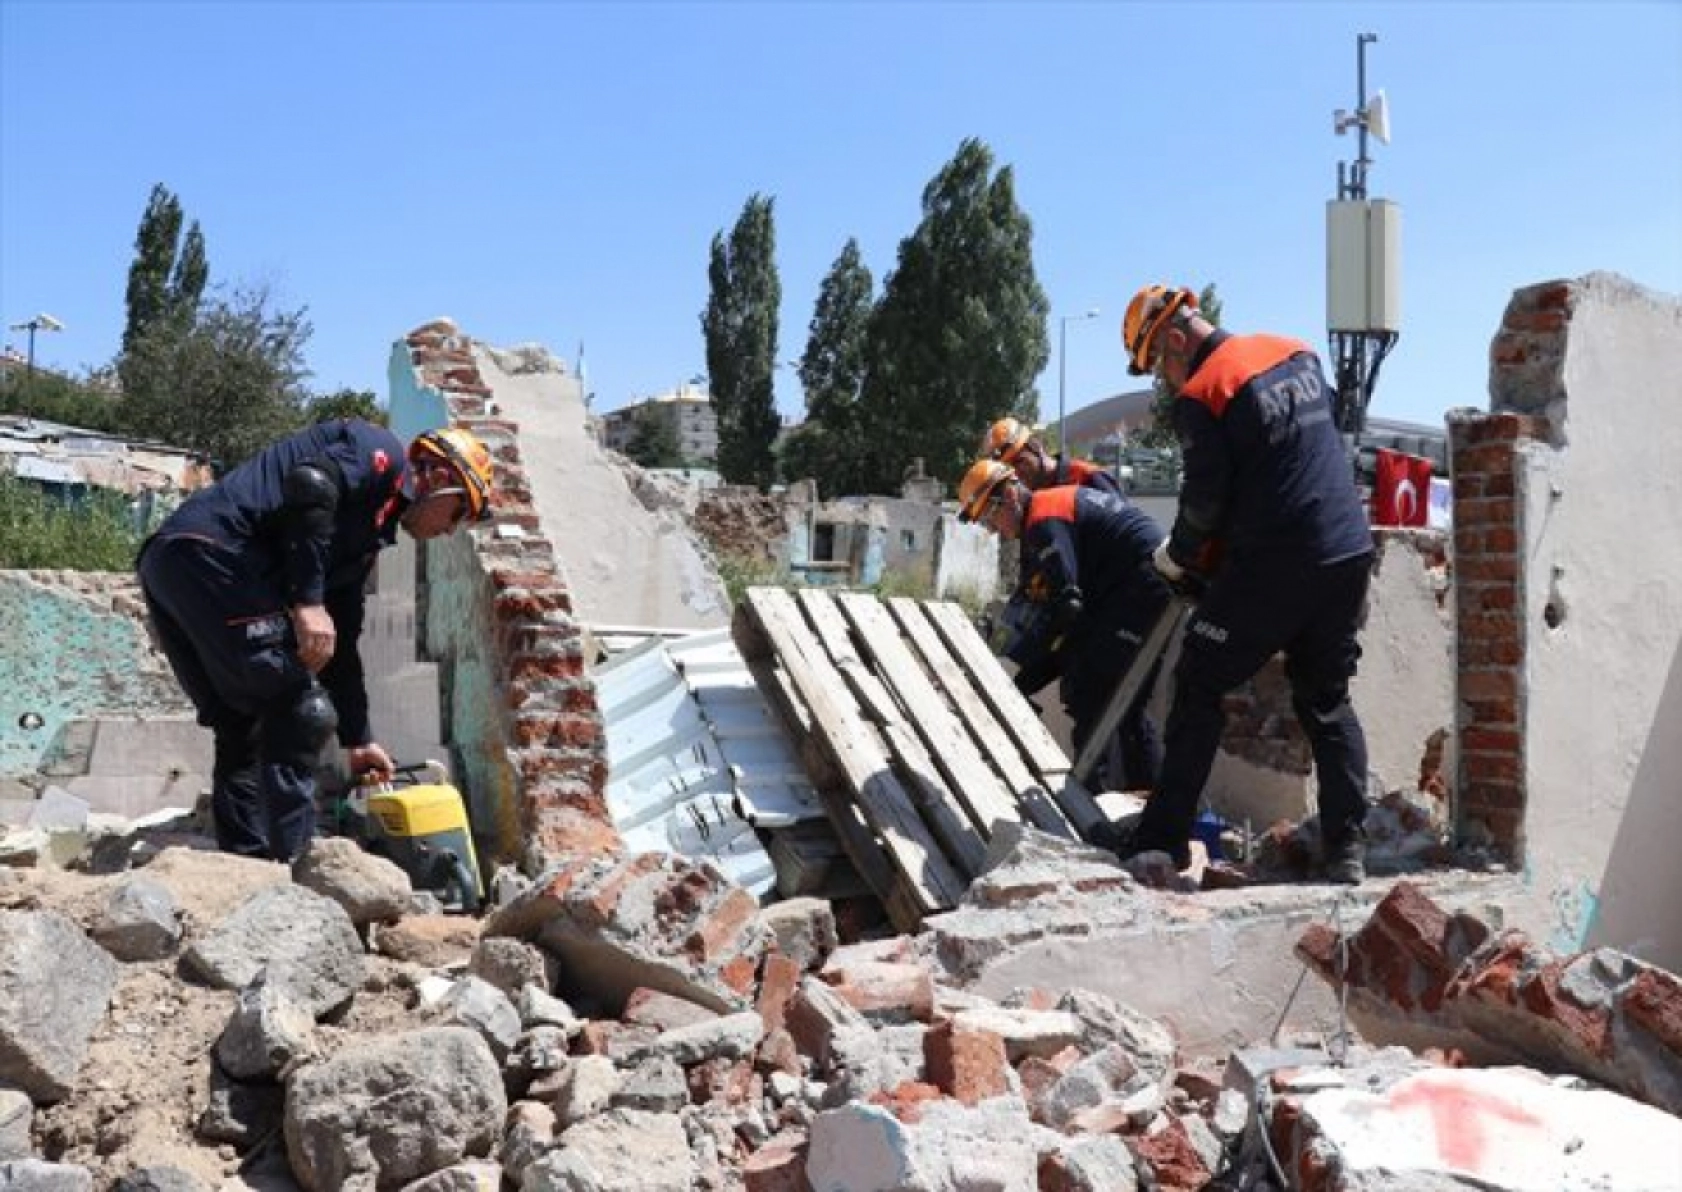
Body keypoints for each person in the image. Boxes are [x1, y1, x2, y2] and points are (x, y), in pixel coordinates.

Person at [136, 419, 494, 862]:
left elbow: (339, 646)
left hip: (171, 563)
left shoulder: (363, 538)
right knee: (301, 710)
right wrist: (307, 601)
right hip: (214, 552)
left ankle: (244, 865)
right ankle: (295, 865)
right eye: (460, 512)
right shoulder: (380, 455)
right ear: (440, 478)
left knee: (239, 720)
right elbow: (310, 483)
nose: (450, 530)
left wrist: (358, 738)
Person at [1112, 284, 1375, 883]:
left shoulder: (1206, 393)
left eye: (1159, 362)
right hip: (1348, 550)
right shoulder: (1295, 351)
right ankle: (1348, 849)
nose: (1164, 378)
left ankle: (1163, 840)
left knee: (1200, 675)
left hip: (1277, 564)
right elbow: (1292, 459)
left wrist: (1179, 559)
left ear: (1177, 337)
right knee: (1327, 699)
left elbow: (1205, 504)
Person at [958, 459, 1171, 792]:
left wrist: (1021, 671)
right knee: (1105, 691)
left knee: (1090, 689)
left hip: (1141, 586)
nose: (991, 530)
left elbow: (1064, 606)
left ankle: (1100, 799)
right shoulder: (1040, 519)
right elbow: (1034, 602)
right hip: (1125, 588)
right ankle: (1138, 803)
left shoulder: (1044, 520)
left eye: (989, 517)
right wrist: (1019, 677)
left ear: (1011, 496)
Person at [982, 417, 1124, 496]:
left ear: (1036, 446)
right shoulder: (1031, 501)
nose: (1018, 473)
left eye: (1019, 461)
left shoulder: (1089, 478)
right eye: (1010, 469)